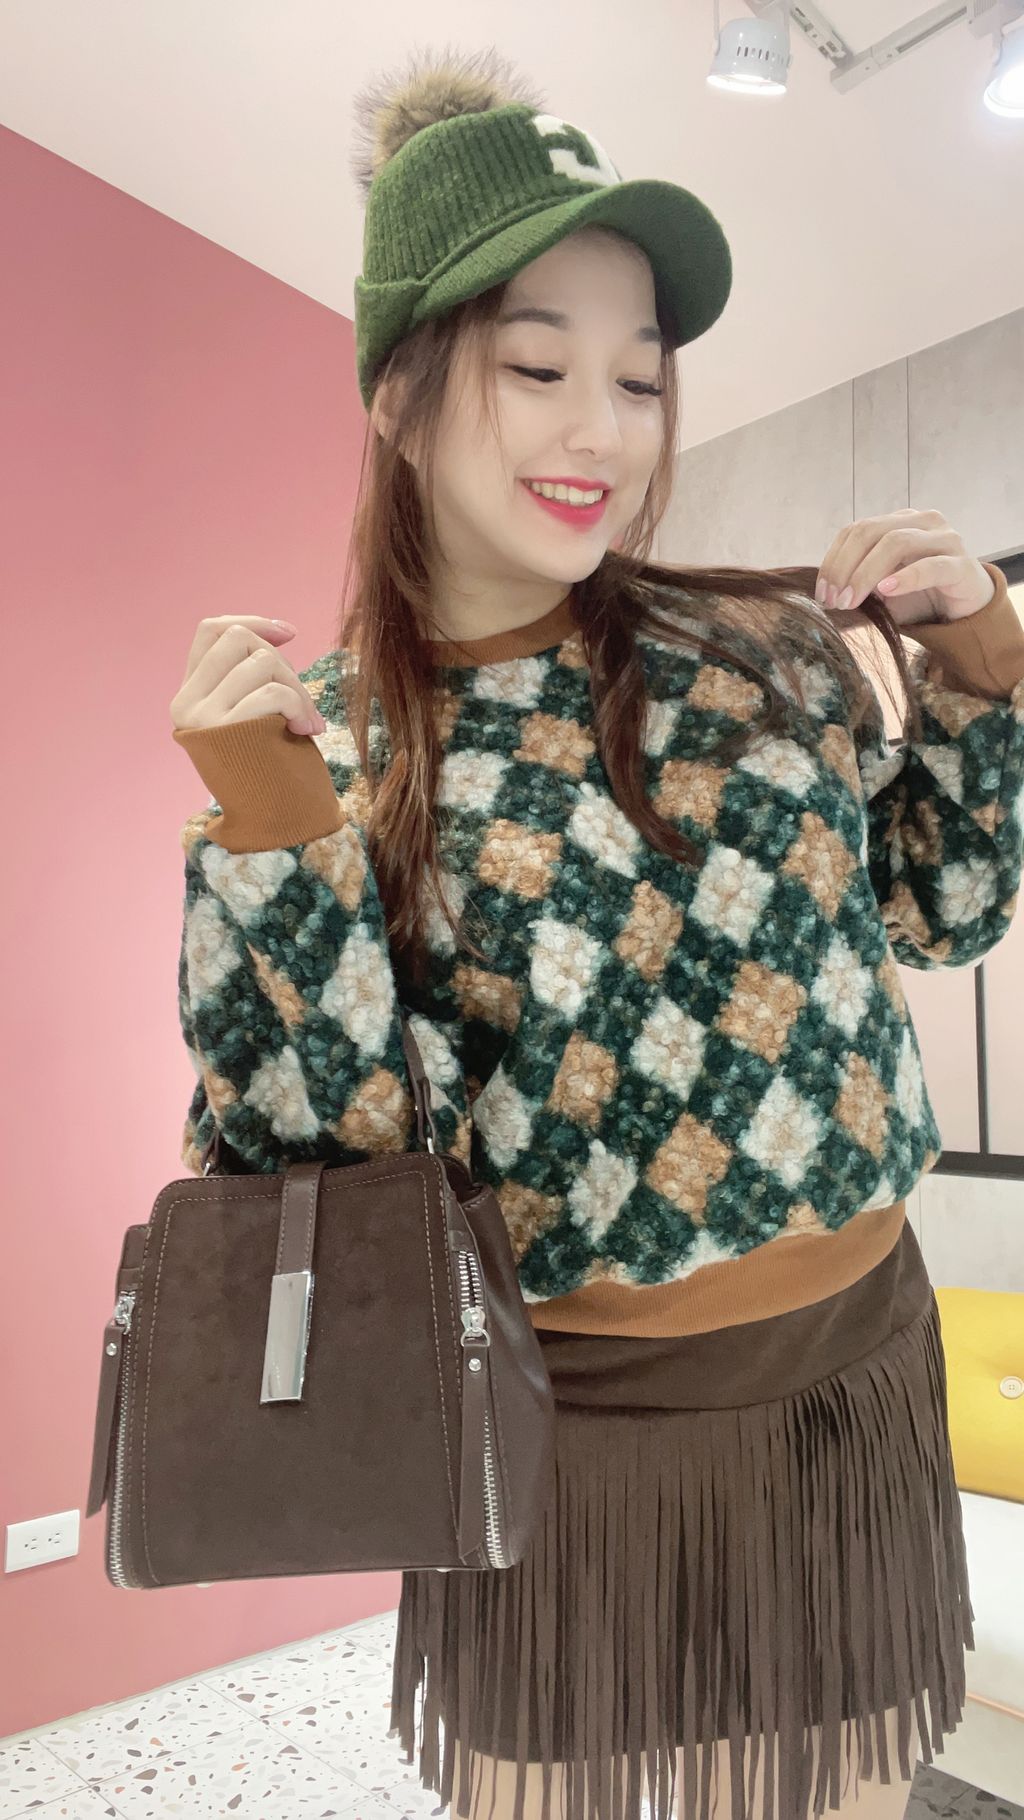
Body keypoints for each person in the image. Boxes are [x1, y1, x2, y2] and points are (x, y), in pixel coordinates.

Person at [168, 46, 1024, 1820]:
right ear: (399, 397)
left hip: (859, 1385)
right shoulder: (335, 747)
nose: (605, 434)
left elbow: (949, 912)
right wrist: (272, 832)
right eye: (538, 367)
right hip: (569, 1446)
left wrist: (982, 666)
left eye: (640, 378)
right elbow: (325, 1168)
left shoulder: (766, 653)